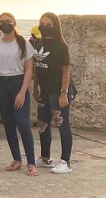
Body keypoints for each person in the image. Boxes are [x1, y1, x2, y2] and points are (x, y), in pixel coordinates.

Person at [0, 12, 37, 176]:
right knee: (8, 124)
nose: (5, 24)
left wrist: (22, 92)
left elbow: (29, 69)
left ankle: (31, 162)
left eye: (8, 21)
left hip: (18, 83)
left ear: (14, 23)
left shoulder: (24, 44)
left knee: (22, 123)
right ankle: (17, 159)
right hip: (1, 84)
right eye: (2, 22)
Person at [33, 12, 75, 174]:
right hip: (44, 90)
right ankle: (45, 158)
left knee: (62, 124)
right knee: (43, 124)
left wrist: (63, 93)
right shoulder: (38, 43)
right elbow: (37, 67)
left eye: (48, 24)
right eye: (41, 23)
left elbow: (66, 71)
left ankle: (66, 161)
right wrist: (35, 87)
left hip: (58, 91)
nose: (44, 26)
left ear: (55, 27)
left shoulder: (61, 46)